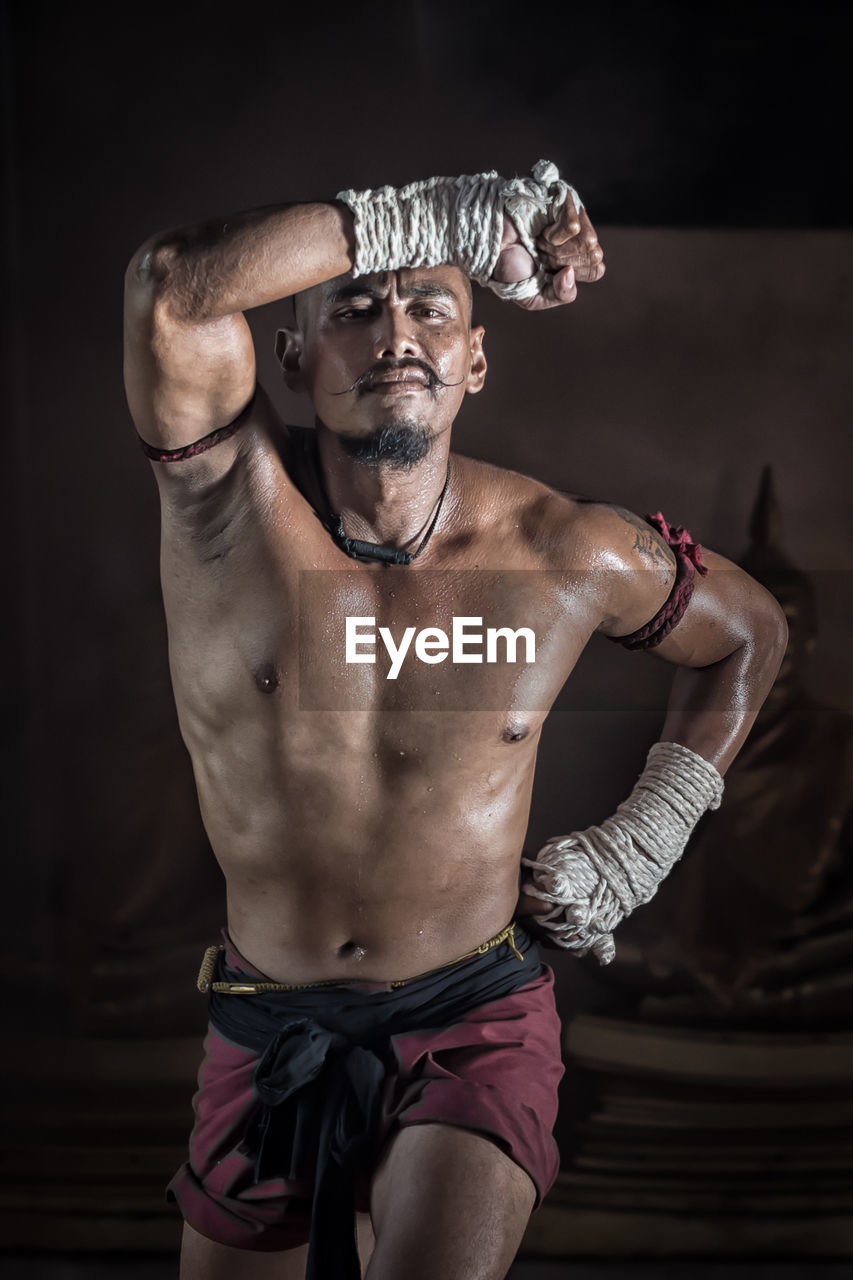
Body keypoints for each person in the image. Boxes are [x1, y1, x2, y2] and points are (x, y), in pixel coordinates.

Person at [123, 161, 788, 1280]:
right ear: (288, 357)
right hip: (266, 1015)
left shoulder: (561, 549)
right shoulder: (222, 503)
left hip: (474, 1013)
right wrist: (434, 220)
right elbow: (169, 287)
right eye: (352, 308)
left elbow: (750, 631)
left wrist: (647, 835)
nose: (397, 333)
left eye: (431, 305)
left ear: (475, 361)